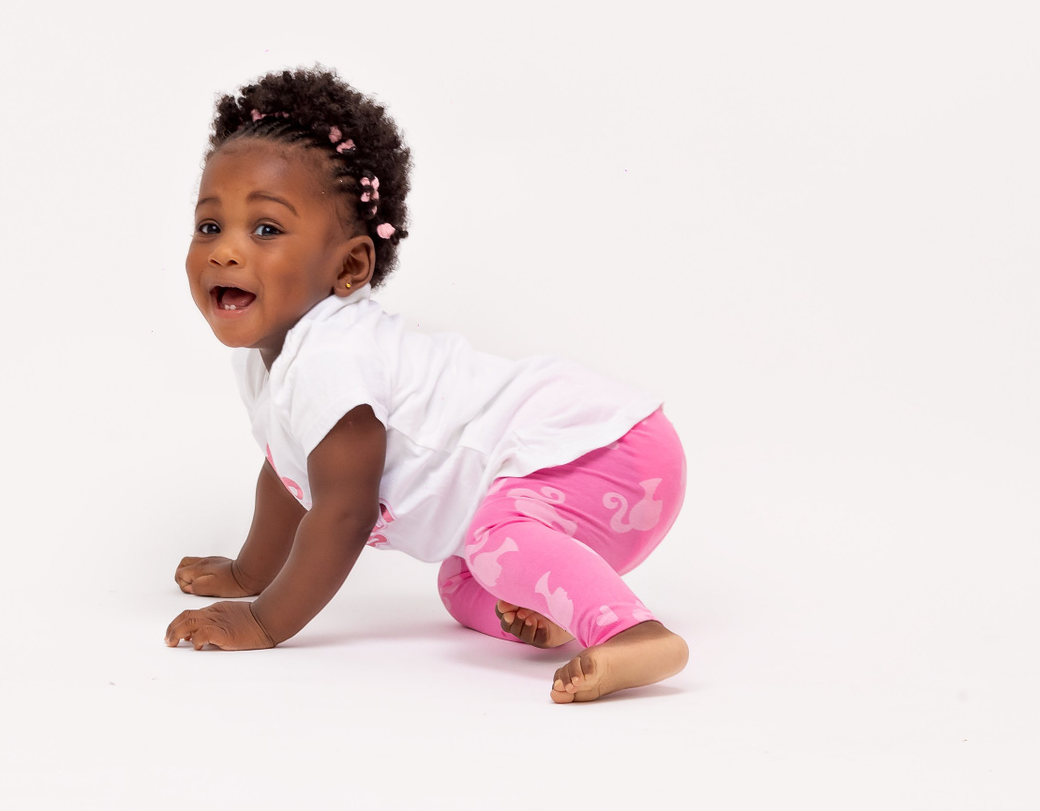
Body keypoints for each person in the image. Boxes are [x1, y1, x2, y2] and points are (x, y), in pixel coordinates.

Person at [165, 66, 690, 704]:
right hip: (591, 461)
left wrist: (262, 619)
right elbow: (289, 472)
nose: (224, 251)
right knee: (461, 584)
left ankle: (635, 634)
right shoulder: (274, 358)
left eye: (266, 229)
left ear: (350, 265)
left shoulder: (332, 357)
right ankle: (553, 609)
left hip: (605, 452)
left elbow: (344, 512)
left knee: (494, 541)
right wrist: (250, 570)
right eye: (209, 227)